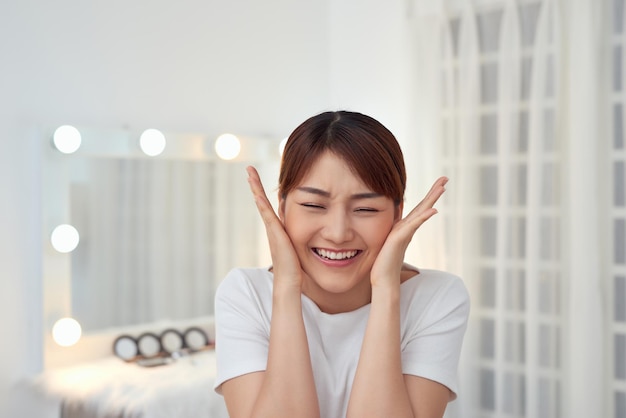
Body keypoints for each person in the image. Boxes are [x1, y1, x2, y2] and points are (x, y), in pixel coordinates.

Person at [213, 110, 470, 418]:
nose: (337, 233)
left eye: (365, 208)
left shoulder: (438, 297)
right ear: (281, 207)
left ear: (398, 213)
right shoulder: (245, 294)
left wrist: (386, 290)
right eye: (313, 205)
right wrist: (286, 286)